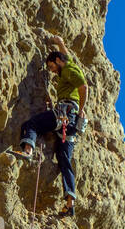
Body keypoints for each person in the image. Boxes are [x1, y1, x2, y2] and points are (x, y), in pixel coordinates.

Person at [11, 37, 89, 217]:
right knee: (64, 159)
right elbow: (66, 57)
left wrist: (80, 110)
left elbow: (84, 87)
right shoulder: (67, 67)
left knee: (32, 124)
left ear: (59, 61)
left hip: (66, 113)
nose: (52, 71)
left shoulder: (69, 69)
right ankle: (70, 203)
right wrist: (60, 42)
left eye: (52, 66)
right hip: (70, 125)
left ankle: (28, 151)